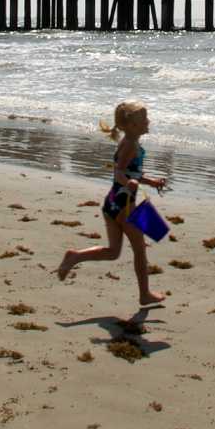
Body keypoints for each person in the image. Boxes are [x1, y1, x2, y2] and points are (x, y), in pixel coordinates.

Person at [55, 99, 170, 306]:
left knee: (113, 252)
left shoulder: (130, 143)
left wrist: (149, 181)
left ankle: (74, 256)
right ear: (133, 126)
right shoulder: (131, 146)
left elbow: (129, 171)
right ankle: (145, 294)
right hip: (125, 206)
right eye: (144, 119)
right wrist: (130, 182)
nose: (149, 121)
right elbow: (118, 173)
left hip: (113, 203)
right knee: (140, 250)